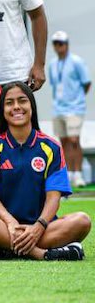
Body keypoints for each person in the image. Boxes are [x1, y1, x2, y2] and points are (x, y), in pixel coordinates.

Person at [0, 82, 91, 260]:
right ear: (2, 110)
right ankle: (41, 254)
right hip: (3, 224)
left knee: (82, 221)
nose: (16, 107)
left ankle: (1, 249)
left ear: (32, 106)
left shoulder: (51, 147)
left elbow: (53, 198)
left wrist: (39, 226)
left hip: (41, 227)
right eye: (9, 103)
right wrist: (10, 222)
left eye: (22, 101)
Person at [47, 30, 90, 188]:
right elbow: (54, 84)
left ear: (67, 44)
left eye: (62, 44)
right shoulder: (53, 64)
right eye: (56, 44)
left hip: (74, 108)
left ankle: (77, 174)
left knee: (74, 140)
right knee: (63, 141)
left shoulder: (76, 62)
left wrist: (77, 100)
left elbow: (86, 82)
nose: (59, 47)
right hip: (58, 108)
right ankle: (68, 174)